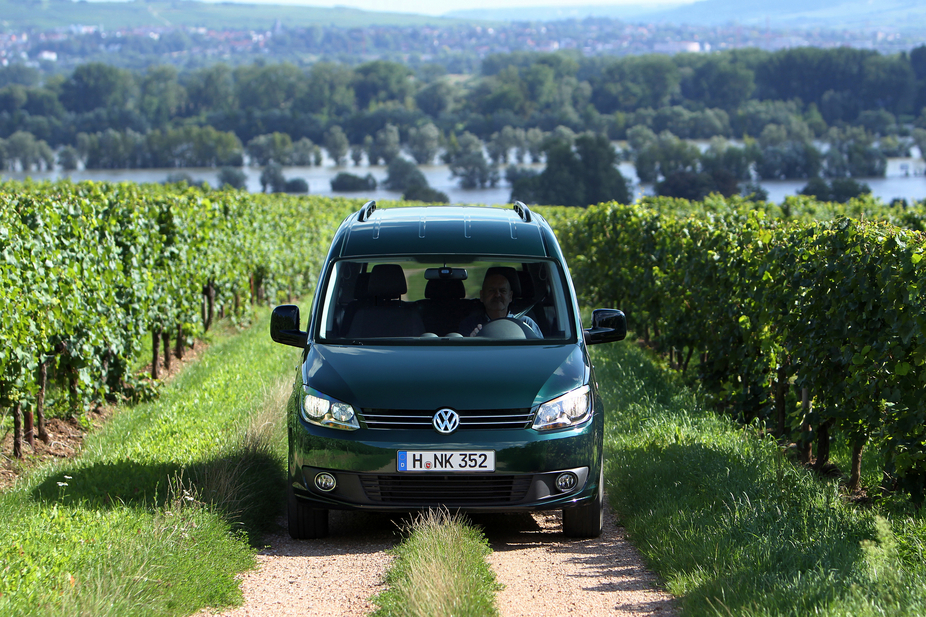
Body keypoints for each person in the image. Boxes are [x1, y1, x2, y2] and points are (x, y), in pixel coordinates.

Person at [458, 271, 543, 338]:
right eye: (491, 290)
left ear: (510, 296)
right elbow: (463, 356)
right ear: (482, 296)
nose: (497, 295)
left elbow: (539, 352)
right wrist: (471, 341)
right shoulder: (469, 324)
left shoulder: (526, 323)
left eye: (502, 291)